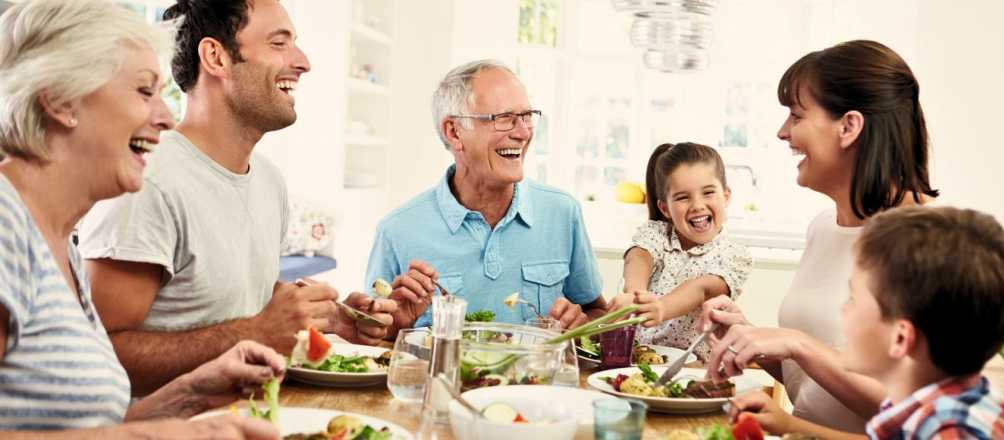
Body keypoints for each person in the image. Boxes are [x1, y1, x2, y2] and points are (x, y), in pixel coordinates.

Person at [78, 0, 397, 395]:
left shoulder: (269, 181)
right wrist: (257, 332)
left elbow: (237, 299)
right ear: (216, 56)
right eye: (279, 43)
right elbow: (101, 353)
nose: (303, 61)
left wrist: (331, 320)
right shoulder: (148, 182)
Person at [0, 0, 282, 437]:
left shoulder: (60, 243)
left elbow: (85, 426)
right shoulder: (5, 223)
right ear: (60, 100)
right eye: (144, 91)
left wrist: (190, 394)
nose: (166, 118)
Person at [698, 39, 940, 433]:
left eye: (796, 116)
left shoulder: (928, 244)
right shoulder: (824, 227)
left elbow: (915, 412)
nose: (782, 132)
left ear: (848, 126)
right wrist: (752, 338)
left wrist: (797, 344)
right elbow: (812, 387)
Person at [729, 207, 1004, 439]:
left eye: (853, 299)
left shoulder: (949, 431)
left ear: (900, 339)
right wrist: (788, 426)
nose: (842, 310)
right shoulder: (936, 404)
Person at [365, 59, 607, 336]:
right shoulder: (397, 230)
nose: (523, 132)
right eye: (504, 119)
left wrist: (583, 324)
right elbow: (371, 339)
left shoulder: (562, 212)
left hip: (536, 380)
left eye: (526, 116)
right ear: (454, 132)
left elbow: (597, 312)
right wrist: (395, 327)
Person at [610, 142, 752, 361]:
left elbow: (702, 288)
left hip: (693, 371)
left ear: (726, 197)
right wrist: (634, 295)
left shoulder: (734, 255)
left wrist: (661, 308)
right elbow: (638, 258)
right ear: (665, 208)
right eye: (683, 197)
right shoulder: (656, 233)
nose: (697, 205)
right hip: (635, 363)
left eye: (708, 193)